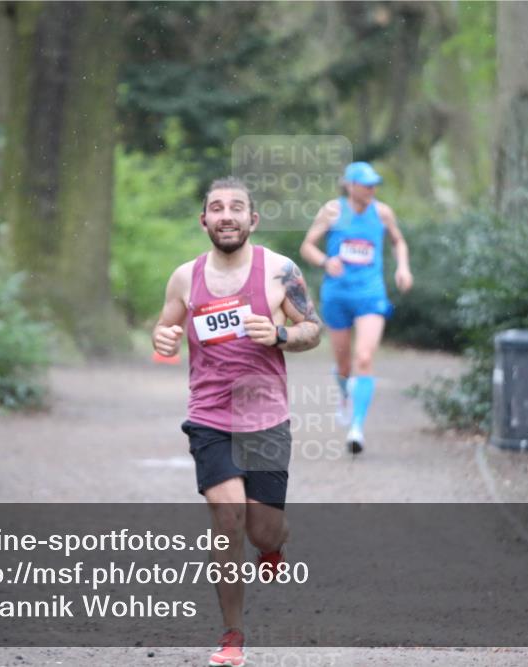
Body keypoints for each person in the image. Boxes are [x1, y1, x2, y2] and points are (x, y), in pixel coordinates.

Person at [153, 177, 322, 667]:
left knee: (263, 531)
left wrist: (280, 333)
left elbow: (313, 330)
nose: (227, 215)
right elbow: (166, 325)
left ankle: (273, 548)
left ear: (253, 220)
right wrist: (163, 341)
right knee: (227, 520)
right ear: (204, 219)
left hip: (266, 419)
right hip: (209, 418)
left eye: (237, 207)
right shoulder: (186, 277)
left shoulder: (280, 272)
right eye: (216, 207)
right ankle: (232, 637)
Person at [299, 161, 413, 454]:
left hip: (370, 294)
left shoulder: (382, 212)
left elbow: (398, 242)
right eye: (366, 184)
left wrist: (403, 268)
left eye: (374, 183)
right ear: (350, 185)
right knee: (344, 364)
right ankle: (344, 395)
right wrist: (326, 261)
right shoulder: (333, 211)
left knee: (364, 357)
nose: (372, 189)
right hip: (337, 294)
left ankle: (356, 428)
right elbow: (307, 246)